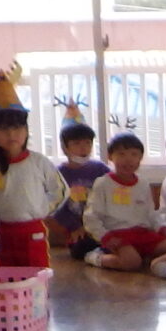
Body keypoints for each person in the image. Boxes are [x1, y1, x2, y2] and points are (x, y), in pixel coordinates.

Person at [0, 68, 64, 268]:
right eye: (3, 129)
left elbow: (60, 190)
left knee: (36, 275)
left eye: (17, 128)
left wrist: (43, 208)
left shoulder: (39, 162)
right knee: (3, 276)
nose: (11, 135)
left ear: (26, 130)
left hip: (32, 231)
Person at [81, 132, 166, 273]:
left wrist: (162, 227)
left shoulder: (143, 183)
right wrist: (105, 237)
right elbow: (91, 216)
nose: (128, 160)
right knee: (131, 263)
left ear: (140, 158)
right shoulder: (103, 183)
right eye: (121, 154)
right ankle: (95, 256)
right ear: (111, 156)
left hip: (143, 234)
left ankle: (145, 256)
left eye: (134, 154)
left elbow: (151, 213)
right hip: (116, 236)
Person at [50, 100, 106, 260]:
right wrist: (74, 227)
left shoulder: (101, 169)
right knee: (80, 249)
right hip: (76, 229)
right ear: (65, 147)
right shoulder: (58, 174)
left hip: (102, 224)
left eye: (88, 143)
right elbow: (57, 206)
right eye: (76, 143)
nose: (83, 148)